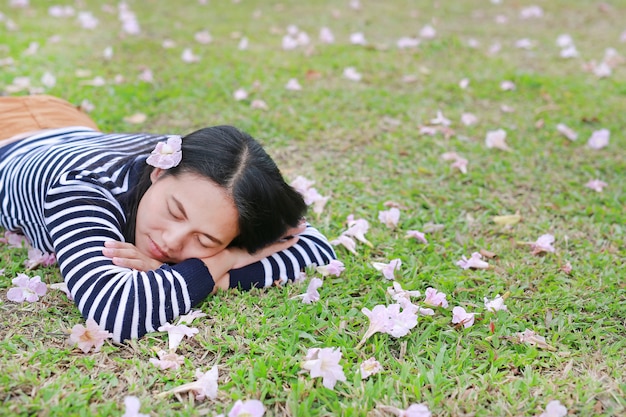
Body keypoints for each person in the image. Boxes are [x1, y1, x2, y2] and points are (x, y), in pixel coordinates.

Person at [0, 95, 336, 342]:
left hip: (68, 127)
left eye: (206, 240)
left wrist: (216, 261)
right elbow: (116, 311)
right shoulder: (82, 188)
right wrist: (218, 263)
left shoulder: (193, 174)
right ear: (159, 170)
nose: (172, 241)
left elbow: (314, 246)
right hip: (23, 129)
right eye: (175, 211)